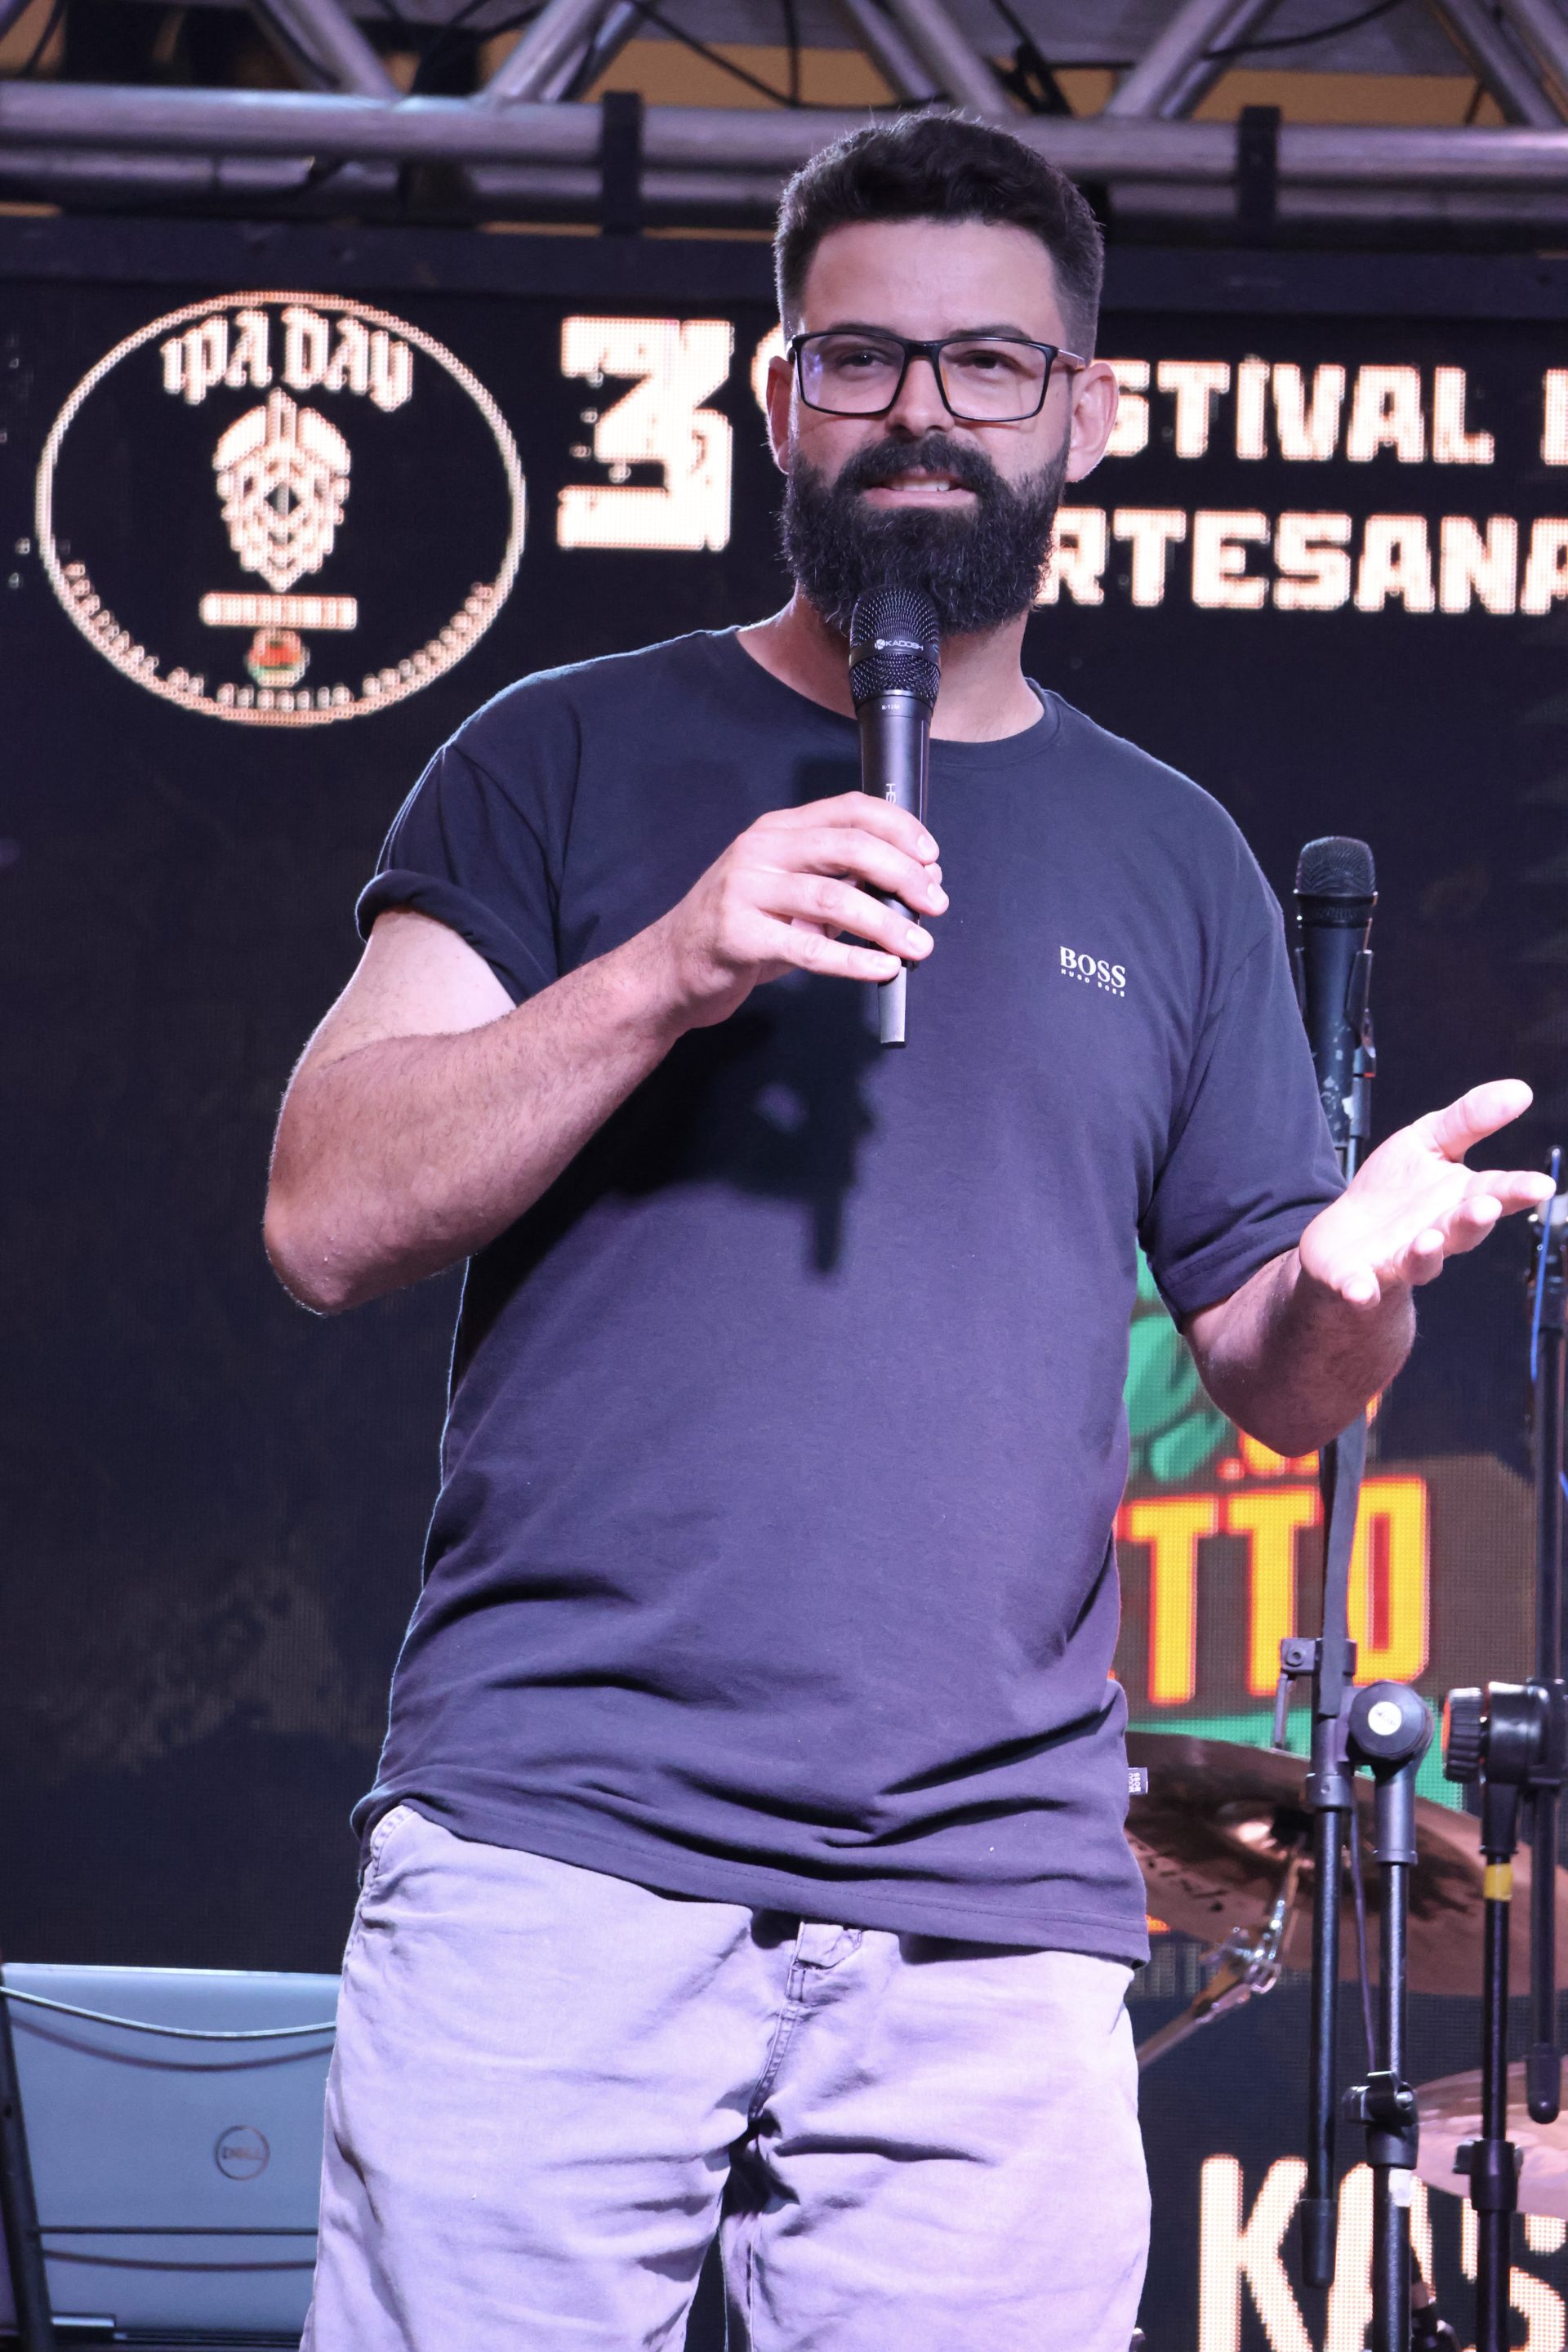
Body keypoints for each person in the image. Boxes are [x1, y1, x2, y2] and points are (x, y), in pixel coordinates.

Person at [265, 111, 1551, 2352]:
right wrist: (669, 967)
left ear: (1084, 414)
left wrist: (1346, 1293)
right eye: (861, 361)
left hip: (988, 1915)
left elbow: (1278, 1376)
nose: (921, 416)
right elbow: (323, 1210)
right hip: (557, 1848)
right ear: (781, 398)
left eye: (988, 366)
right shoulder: (558, 758)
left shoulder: (1171, 859)